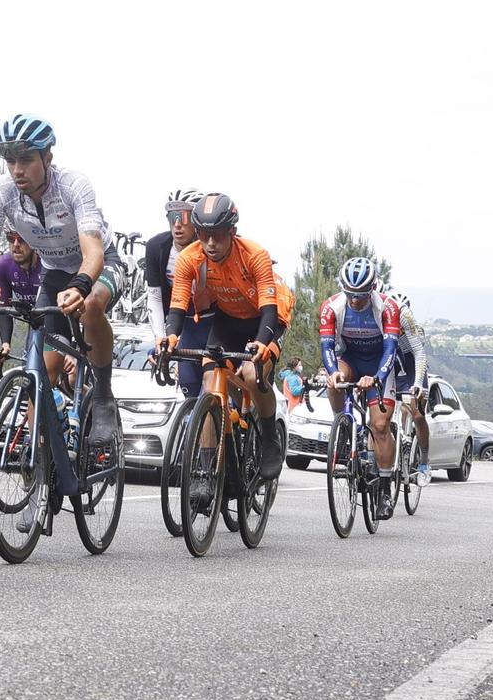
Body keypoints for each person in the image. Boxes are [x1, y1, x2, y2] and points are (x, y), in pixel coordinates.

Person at [0, 115, 121, 534]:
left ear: (47, 156)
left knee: (93, 306)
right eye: (9, 160)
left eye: (25, 158)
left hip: (98, 267)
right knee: (38, 378)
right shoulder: (2, 192)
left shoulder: (74, 186)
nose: (16, 169)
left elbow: (93, 251)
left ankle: (101, 396)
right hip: (55, 274)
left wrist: (83, 284)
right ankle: (38, 485)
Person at [155, 192, 291, 507]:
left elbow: (269, 310)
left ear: (232, 232)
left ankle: (269, 438)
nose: (210, 243)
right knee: (209, 385)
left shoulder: (254, 254)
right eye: (203, 235)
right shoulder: (190, 257)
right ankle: (205, 472)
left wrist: (261, 343)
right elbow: (177, 306)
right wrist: (171, 338)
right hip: (229, 320)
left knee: (251, 374)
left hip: (266, 319)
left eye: (217, 235)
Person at [318, 257, 403, 518]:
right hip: (351, 359)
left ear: (373, 288)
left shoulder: (387, 308)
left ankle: (386, 489)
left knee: (379, 426)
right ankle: (342, 425)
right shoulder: (332, 307)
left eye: (362, 295)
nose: (355, 300)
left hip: (379, 364)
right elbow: (327, 347)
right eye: (351, 295)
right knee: (335, 381)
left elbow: (391, 348)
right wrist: (332, 374)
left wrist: (377, 377)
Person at [143, 189, 210, 399]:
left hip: (214, 322)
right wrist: (160, 338)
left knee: (212, 387)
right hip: (185, 322)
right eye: (172, 217)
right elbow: (154, 296)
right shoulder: (157, 247)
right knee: (189, 387)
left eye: (184, 217)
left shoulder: (212, 246)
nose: (177, 224)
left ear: (197, 221)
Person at [389, 291, 432, 482]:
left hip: (413, 361)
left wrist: (417, 385)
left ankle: (424, 460)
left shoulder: (409, 321)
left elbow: (420, 356)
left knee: (417, 413)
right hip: (393, 359)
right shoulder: (382, 316)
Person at [0, 226, 44, 365]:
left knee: (69, 379)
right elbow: (5, 310)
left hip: (59, 320)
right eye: (10, 238)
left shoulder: (46, 263)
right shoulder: (3, 265)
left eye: (22, 239)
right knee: (31, 372)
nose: (16, 245)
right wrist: (5, 343)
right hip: (34, 323)